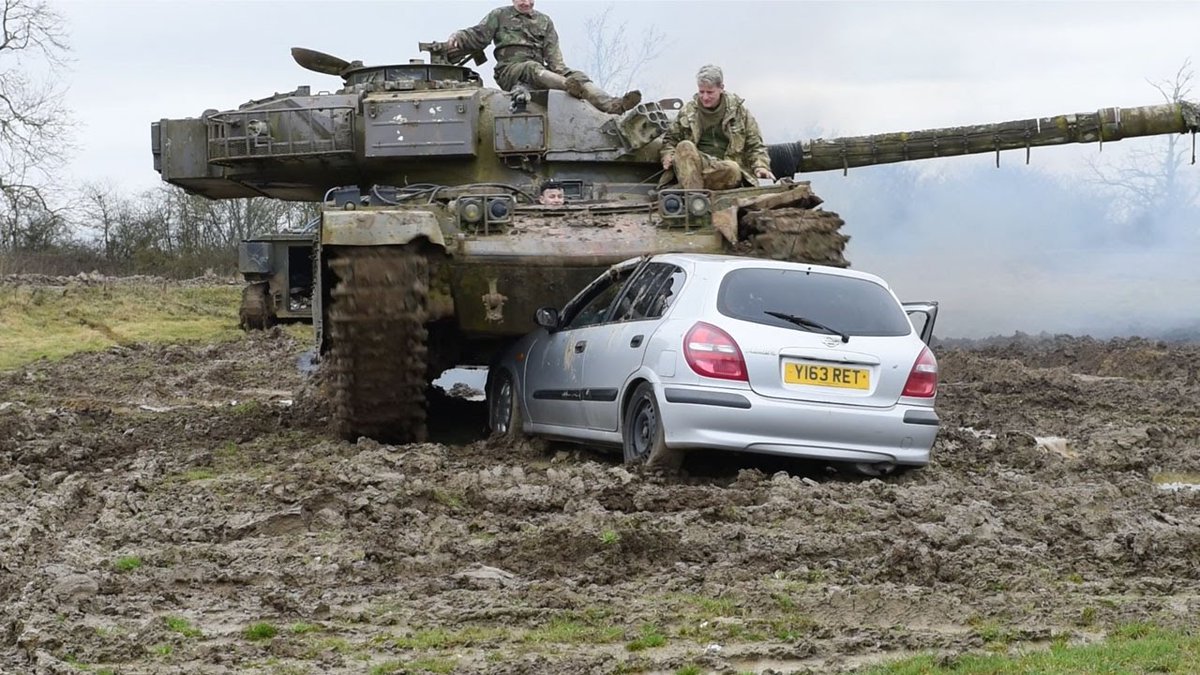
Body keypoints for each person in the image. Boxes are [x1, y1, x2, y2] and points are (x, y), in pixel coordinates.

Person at [447, 0, 641, 114]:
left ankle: (613, 105)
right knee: (533, 67)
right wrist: (458, 36)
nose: (525, 3)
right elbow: (479, 35)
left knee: (577, 75)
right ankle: (569, 87)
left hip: (542, 71)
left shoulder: (544, 21)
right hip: (510, 70)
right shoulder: (499, 15)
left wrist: (564, 72)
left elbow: (553, 55)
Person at [660, 64, 776, 191]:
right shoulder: (688, 113)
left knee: (732, 168)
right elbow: (670, 140)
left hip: (726, 170)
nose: (705, 97)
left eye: (710, 92)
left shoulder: (739, 113)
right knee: (684, 146)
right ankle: (694, 195)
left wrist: (761, 166)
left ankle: (692, 190)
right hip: (696, 164)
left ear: (721, 88)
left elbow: (755, 145)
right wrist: (668, 155)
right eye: (701, 92)